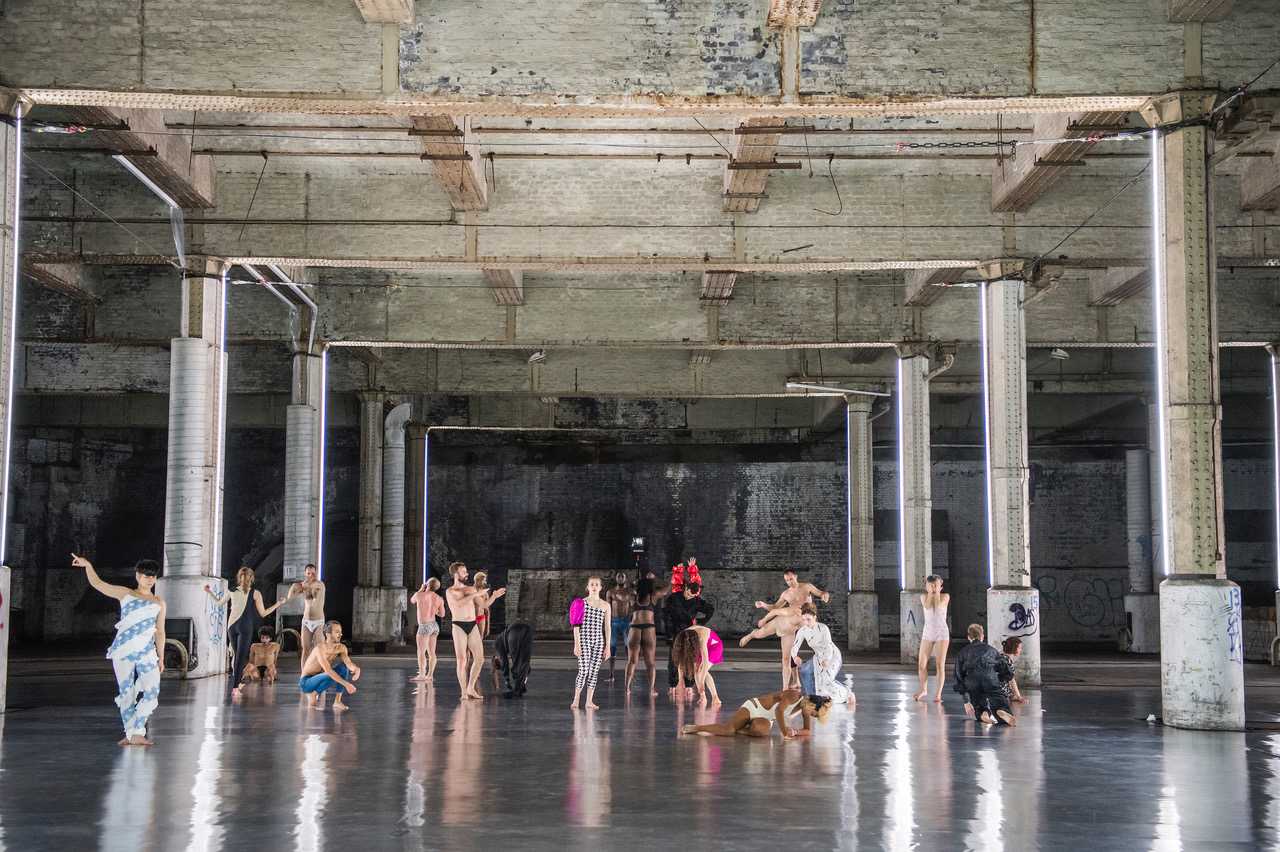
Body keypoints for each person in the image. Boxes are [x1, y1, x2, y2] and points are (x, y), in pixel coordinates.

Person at [71, 553, 166, 746]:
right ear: (138, 576)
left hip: (147, 653)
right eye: (145, 575)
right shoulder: (126, 594)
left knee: (152, 691)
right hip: (124, 651)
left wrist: (161, 657)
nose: (149, 579)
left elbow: (160, 632)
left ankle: (137, 730)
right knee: (127, 693)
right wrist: (88, 565)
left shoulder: (159, 602)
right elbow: (99, 584)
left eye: (152, 576)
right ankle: (132, 733)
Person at [204, 566, 292, 700]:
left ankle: (237, 684)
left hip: (231, 627)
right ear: (252, 578)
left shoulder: (232, 590)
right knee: (240, 658)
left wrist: (209, 592)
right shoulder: (255, 593)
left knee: (236, 657)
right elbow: (263, 613)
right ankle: (235, 688)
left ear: (240, 577)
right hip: (245, 626)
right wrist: (279, 603)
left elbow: (218, 603)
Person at [444, 562, 507, 700]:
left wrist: (494, 596)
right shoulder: (450, 591)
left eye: (466, 571)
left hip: (472, 624)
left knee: (479, 659)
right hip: (458, 625)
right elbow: (459, 604)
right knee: (462, 660)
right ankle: (463, 692)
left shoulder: (471, 590)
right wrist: (476, 594)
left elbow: (484, 605)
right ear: (455, 574)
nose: (466, 573)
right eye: (463, 571)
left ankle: (471, 687)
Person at [681, 688, 831, 739]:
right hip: (755, 707)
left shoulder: (805, 710)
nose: (813, 716)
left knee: (762, 732)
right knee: (728, 730)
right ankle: (697, 728)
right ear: (812, 705)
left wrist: (796, 731)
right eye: (815, 714)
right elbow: (779, 711)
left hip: (766, 718)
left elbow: (808, 731)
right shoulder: (795, 695)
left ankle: (740, 730)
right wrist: (785, 732)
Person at [789, 603, 854, 708]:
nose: (806, 622)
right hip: (818, 657)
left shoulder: (823, 628)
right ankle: (812, 698)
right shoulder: (803, 630)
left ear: (815, 617)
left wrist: (827, 660)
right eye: (804, 619)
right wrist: (795, 657)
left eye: (808, 619)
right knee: (805, 670)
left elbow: (828, 646)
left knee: (826, 681)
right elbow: (795, 646)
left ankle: (847, 693)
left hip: (832, 656)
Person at [951, 623, 1016, 726]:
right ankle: (1001, 711)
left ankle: (983, 714)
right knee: (1000, 702)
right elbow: (1005, 668)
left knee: (978, 705)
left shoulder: (963, 652)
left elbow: (958, 676)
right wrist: (1000, 678)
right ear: (982, 636)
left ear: (969, 637)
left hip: (972, 682)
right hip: (991, 679)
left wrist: (966, 701)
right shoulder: (991, 650)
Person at [299, 620, 362, 711]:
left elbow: (348, 663)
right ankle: (313, 693)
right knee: (331, 673)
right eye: (337, 632)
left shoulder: (341, 648)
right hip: (307, 682)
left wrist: (356, 669)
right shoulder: (320, 649)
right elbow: (328, 670)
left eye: (340, 632)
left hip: (323, 677)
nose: (340, 634)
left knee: (343, 668)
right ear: (328, 634)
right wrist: (346, 684)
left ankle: (337, 701)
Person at [663, 581, 714, 693]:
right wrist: (669, 634)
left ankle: (689, 686)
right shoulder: (673, 598)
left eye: (693, 596)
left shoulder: (696, 600)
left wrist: (700, 621)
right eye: (689, 594)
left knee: (690, 659)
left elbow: (710, 609)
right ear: (685, 588)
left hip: (690, 632)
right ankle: (672, 684)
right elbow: (666, 617)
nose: (690, 597)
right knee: (673, 659)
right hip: (675, 631)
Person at [571, 576, 612, 710]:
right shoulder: (581, 603)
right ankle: (576, 699)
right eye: (591, 584)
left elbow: (607, 627)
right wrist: (577, 644)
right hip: (584, 639)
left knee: (594, 671)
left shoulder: (606, 605)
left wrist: (607, 647)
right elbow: (576, 626)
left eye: (596, 584)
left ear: (600, 587)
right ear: (588, 587)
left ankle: (589, 701)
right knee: (583, 670)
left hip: (598, 640)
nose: (594, 586)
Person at [913, 575, 951, 703]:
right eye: (931, 585)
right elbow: (929, 606)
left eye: (936, 585)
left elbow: (937, 604)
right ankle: (924, 689)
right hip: (928, 633)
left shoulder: (945, 596)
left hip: (942, 633)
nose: (933, 588)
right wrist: (930, 592)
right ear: (926, 587)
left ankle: (938, 694)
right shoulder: (924, 597)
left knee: (940, 665)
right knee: (921, 665)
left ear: (941, 586)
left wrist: (936, 592)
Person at [625, 576, 664, 697]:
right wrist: (655, 579)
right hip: (649, 628)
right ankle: (652, 689)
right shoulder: (654, 596)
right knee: (650, 662)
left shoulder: (632, 597)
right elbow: (667, 587)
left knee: (631, 661)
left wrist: (634, 583)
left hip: (634, 628)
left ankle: (627, 689)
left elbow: (627, 587)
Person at [670, 625, 722, 706]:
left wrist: (701, 682)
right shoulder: (682, 637)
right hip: (699, 646)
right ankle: (703, 696)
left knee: (700, 671)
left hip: (714, 646)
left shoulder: (701, 637)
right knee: (696, 670)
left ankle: (715, 698)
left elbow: (705, 663)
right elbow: (681, 660)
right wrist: (680, 680)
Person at [288, 563, 326, 667]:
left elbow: (312, 586)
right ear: (305, 573)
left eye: (313, 573)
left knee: (320, 647)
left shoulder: (320, 584)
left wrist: (302, 585)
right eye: (309, 573)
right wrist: (293, 587)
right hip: (306, 621)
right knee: (305, 649)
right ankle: (303, 674)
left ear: (316, 573)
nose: (311, 575)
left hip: (318, 621)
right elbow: (291, 596)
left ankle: (321, 671)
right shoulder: (303, 585)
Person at [409, 576, 445, 683]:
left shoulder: (419, 595)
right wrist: (434, 611)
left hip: (424, 626)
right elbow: (442, 614)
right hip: (434, 626)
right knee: (432, 653)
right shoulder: (439, 598)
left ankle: (421, 674)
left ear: (427, 585)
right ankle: (430, 675)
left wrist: (420, 589)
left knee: (421, 652)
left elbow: (412, 600)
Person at [491, 621, 534, 698]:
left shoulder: (497, 644)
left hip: (514, 631)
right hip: (528, 629)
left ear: (495, 659)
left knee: (517, 663)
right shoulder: (501, 643)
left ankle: (517, 690)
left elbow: (504, 663)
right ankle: (519, 687)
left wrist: (507, 680)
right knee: (525, 662)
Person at [605, 571, 635, 680]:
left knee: (628, 647)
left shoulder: (631, 592)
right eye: (619, 576)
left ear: (626, 578)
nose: (621, 578)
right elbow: (607, 608)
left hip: (626, 621)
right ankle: (611, 675)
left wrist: (632, 620)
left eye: (623, 576)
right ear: (616, 578)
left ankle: (630, 674)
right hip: (613, 621)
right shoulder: (610, 592)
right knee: (612, 647)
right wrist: (606, 623)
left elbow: (633, 606)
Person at [1000, 636, 1026, 704]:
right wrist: (1019, 696)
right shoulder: (1007, 661)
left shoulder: (1001, 657)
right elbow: (1012, 680)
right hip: (1000, 693)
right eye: (1019, 648)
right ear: (1014, 648)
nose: (1021, 650)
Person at [473, 571, 492, 638]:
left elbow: (487, 611)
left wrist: (488, 627)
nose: (485, 582)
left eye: (485, 580)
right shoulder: (470, 591)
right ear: (477, 580)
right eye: (484, 580)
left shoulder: (485, 594)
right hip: (470, 619)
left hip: (481, 618)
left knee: (480, 640)